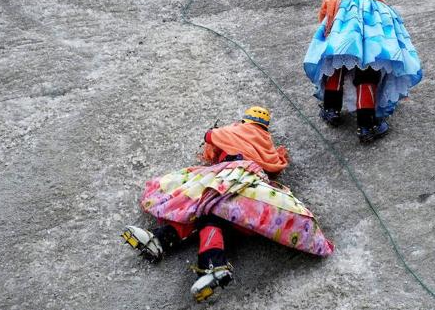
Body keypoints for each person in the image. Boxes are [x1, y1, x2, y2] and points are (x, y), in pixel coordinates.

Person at [122, 106, 334, 301]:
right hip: (251, 192)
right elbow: (275, 166)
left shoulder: (237, 130)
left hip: (231, 174)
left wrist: (216, 135)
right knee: (211, 214)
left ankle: (164, 243)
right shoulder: (267, 142)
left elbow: (210, 136)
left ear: (245, 121)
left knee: (202, 204)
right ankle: (205, 261)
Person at [303, 0, 423, 143]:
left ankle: (331, 110)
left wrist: (327, 26)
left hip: (349, 21)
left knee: (336, 63)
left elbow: (328, 5)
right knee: (368, 71)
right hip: (377, 24)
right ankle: (366, 126)